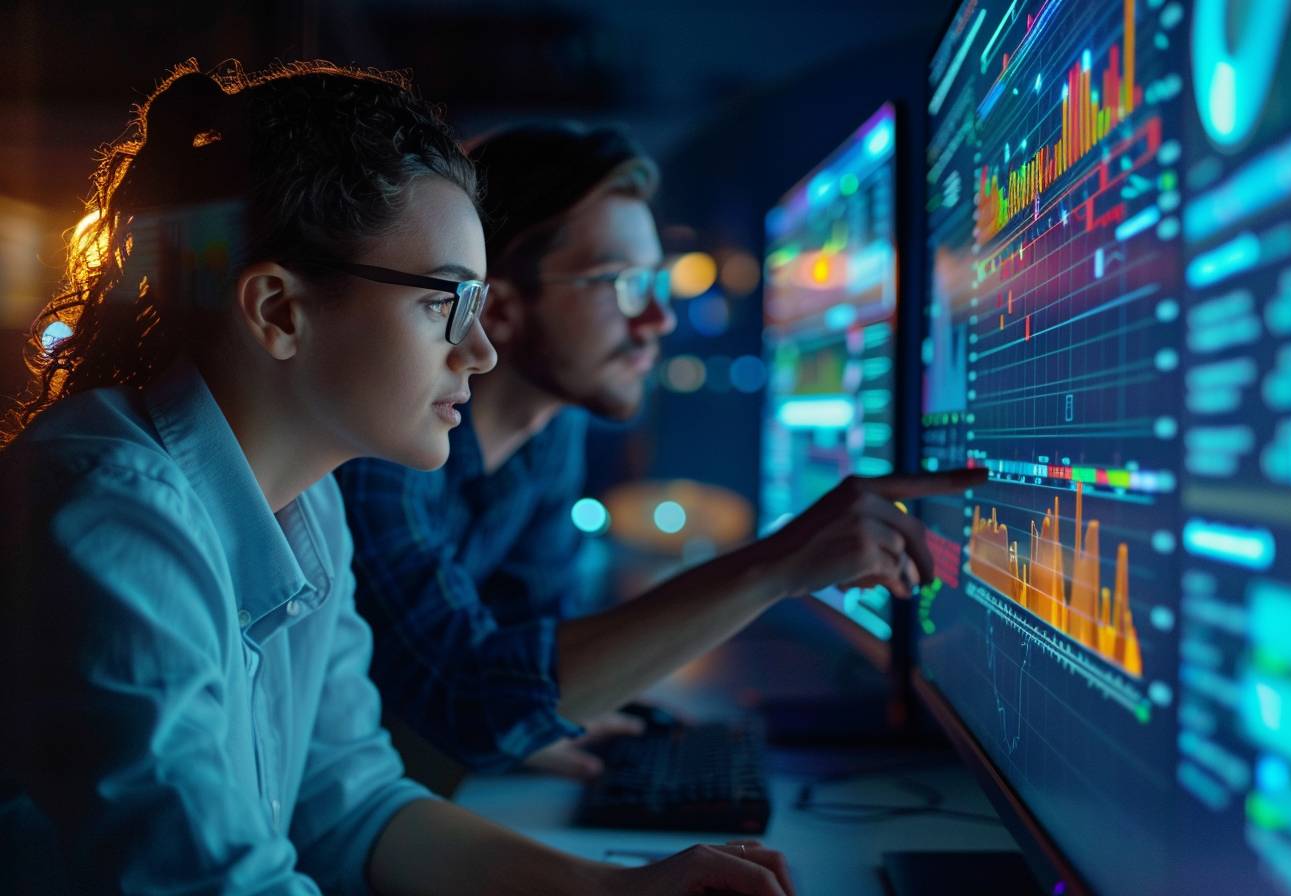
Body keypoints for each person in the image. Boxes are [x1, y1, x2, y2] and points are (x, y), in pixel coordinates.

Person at [0, 60, 797, 895]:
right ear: (278, 311)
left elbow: (353, 808)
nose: (482, 350)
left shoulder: (310, 509)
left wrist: (611, 890)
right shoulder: (111, 520)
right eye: (444, 302)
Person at [335, 123, 986, 778]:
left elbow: (523, 653)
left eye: (656, 284)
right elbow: (469, 699)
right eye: (623, 285)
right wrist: (778, 566)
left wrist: (542, 713)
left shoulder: (551, 431)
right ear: (498, 308)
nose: (660, 321)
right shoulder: (378, 451)